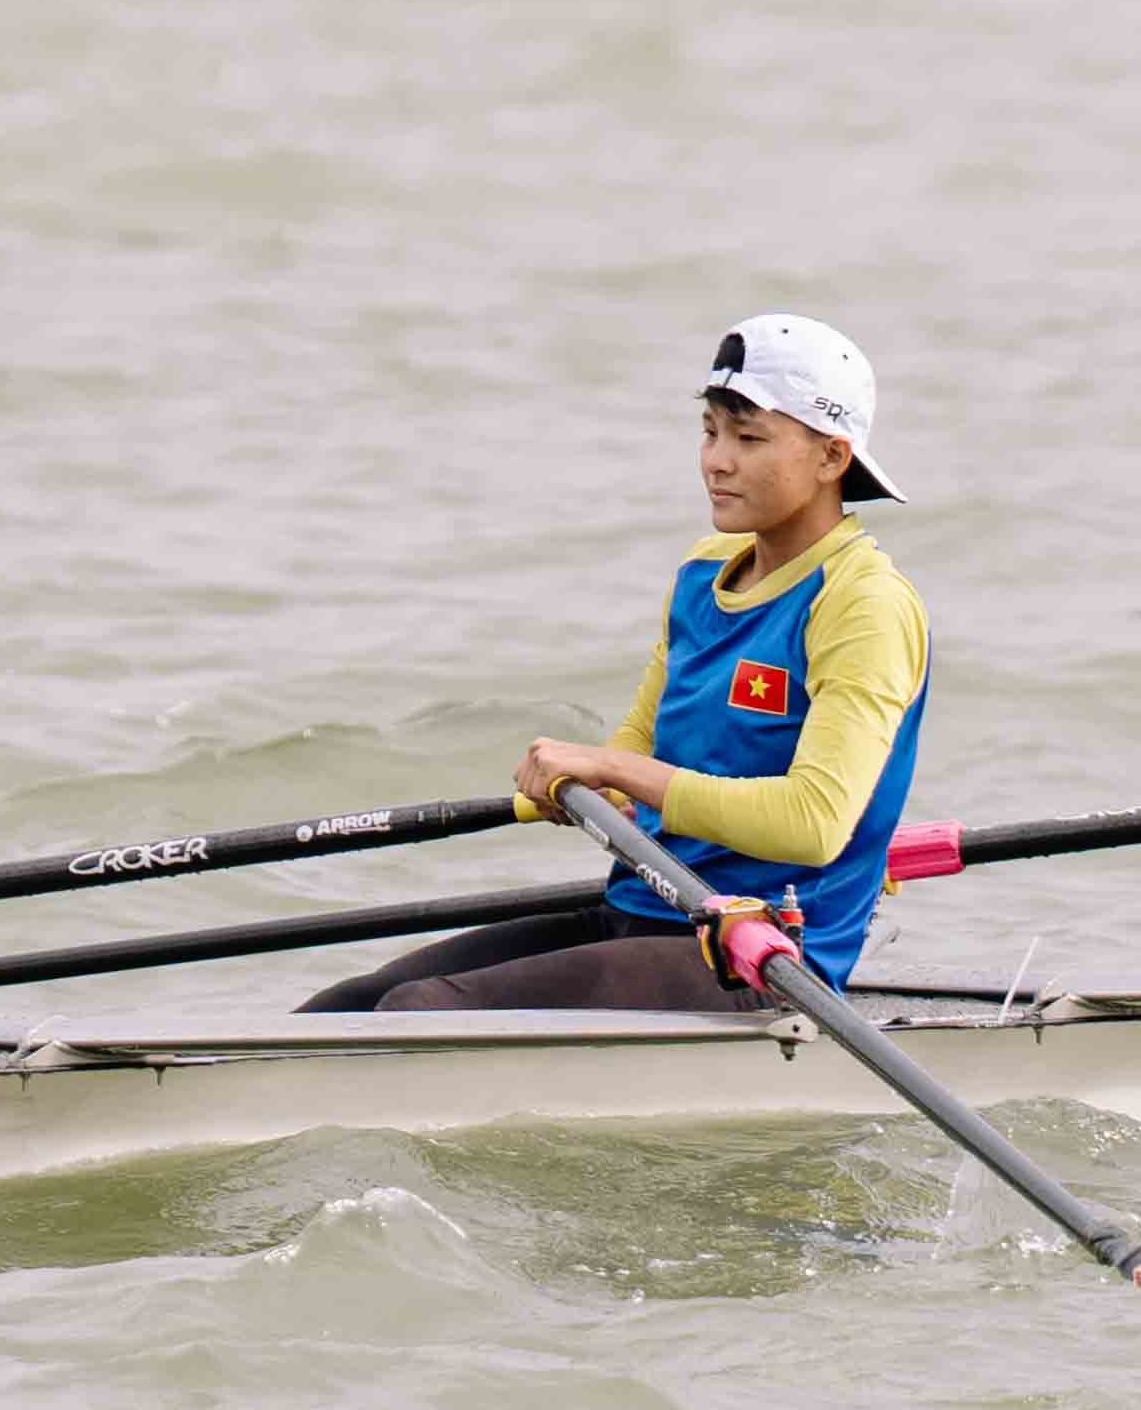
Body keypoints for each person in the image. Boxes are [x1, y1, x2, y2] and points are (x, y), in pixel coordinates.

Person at [320, 313, 933, 1014]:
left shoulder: (863, 603)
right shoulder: (703, 575)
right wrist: (590, 785)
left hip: (765, 956)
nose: (716, 459)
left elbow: (814, 823)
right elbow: (637, 746)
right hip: (648, 907)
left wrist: (613, 771)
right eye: (710, 431)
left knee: (420, 1010)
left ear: (831, 458)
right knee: (352, 1004)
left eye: (749, 437)